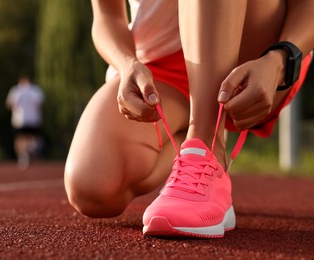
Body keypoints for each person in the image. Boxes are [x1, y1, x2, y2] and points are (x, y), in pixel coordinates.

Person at [65, 0, 314, 238]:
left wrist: (279, 62)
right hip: (162, 67)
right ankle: (193, 148)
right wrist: (127, 64)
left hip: (254, 53)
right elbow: (108, 17)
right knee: (93, 186)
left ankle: (207, 144)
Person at [6, 75, 44, 170]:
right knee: (33, 137)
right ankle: (31, 151)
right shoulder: (35, 90)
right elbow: (39, 104)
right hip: (33, 119)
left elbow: (10, 104)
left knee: (20, 138)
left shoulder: (16, 90)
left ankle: (23, 155)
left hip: (20, 119)